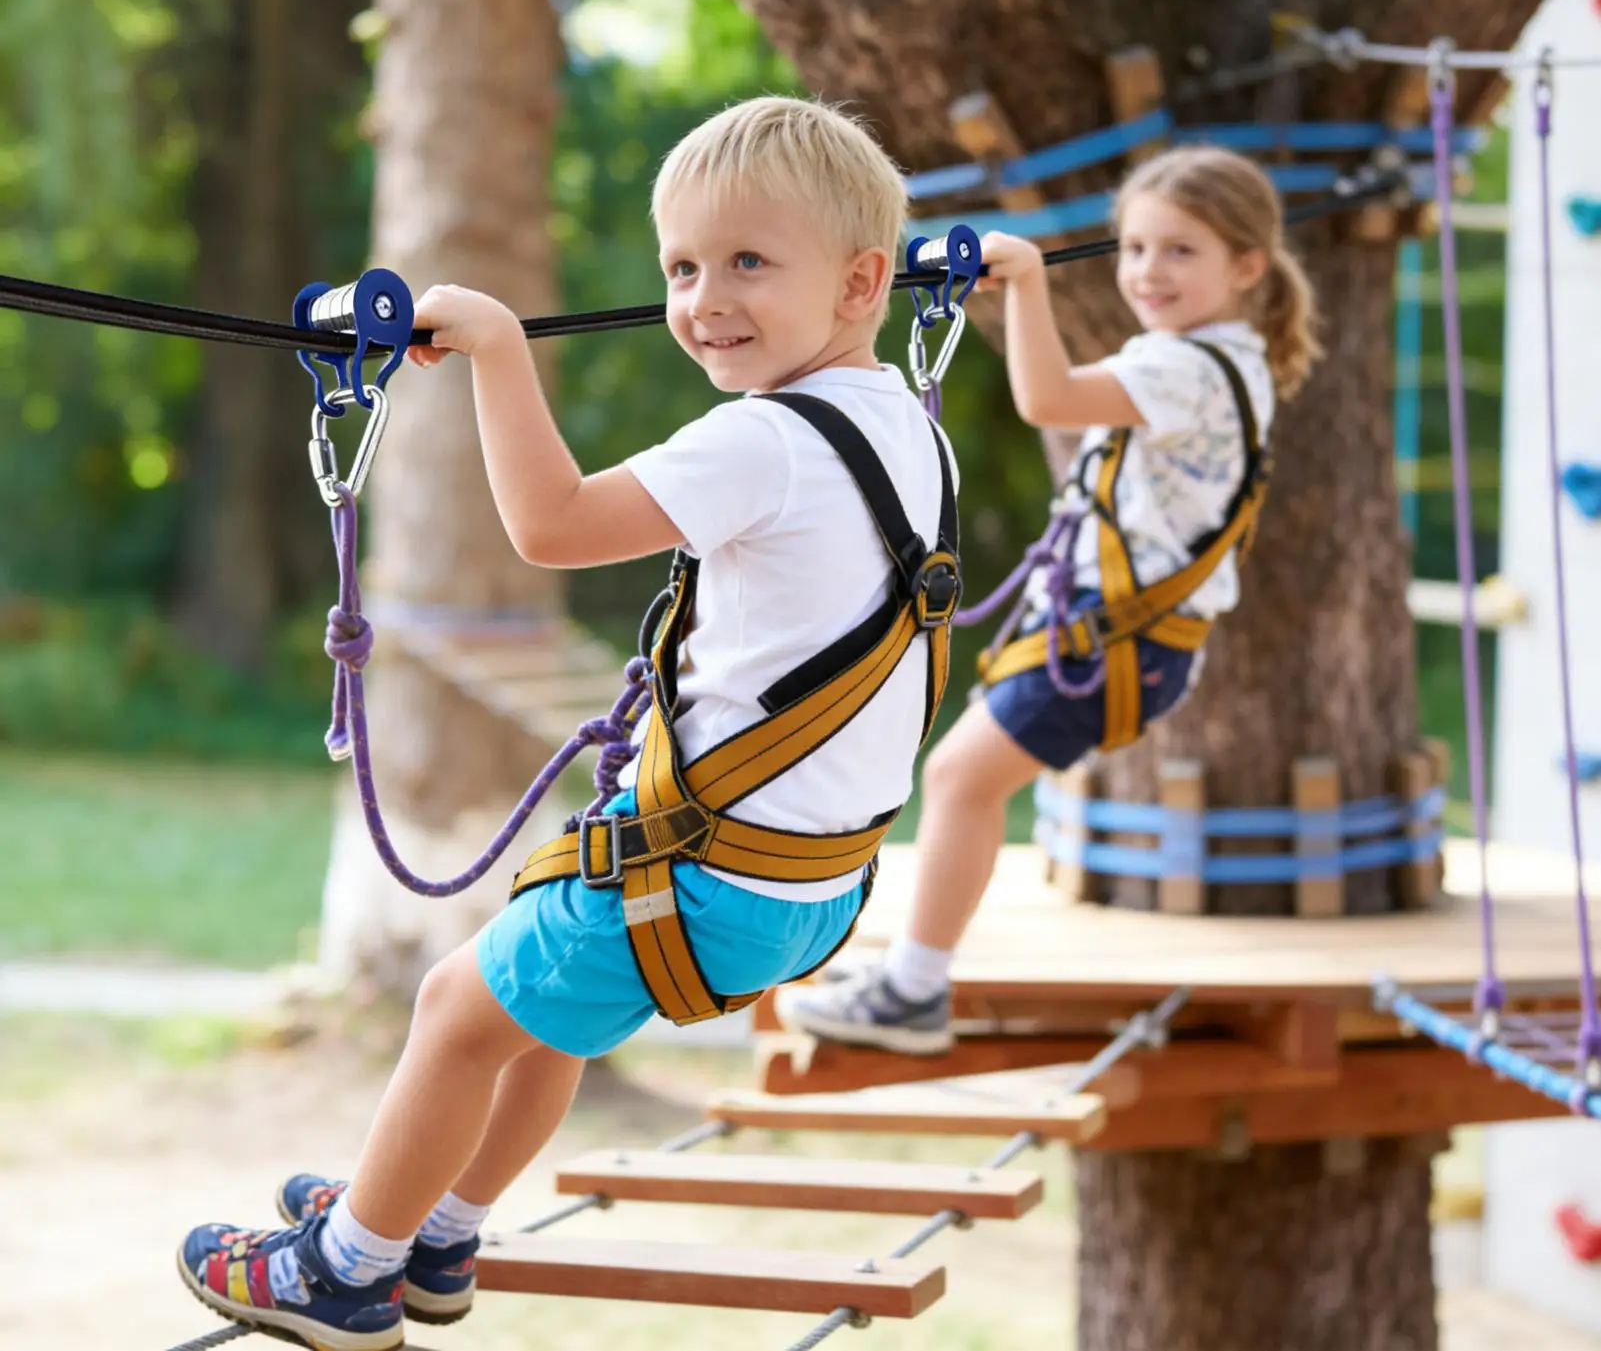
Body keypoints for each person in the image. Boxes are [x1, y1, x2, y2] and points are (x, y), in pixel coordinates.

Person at [175, 96, 960, 1350]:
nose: (705, 297)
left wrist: (493, 344)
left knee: (451, 1007)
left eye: (749, 261)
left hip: (711, 882)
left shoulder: (759, 437)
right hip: (809, 887)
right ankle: (435, 1227)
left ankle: (346, 1268)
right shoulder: (911, 431)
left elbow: (549, 525)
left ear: (862, 281)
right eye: (683, 266)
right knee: (542, 1018)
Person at [777, 145, 1322, 1057]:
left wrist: (1025, 282)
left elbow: (1048, 398)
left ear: (1247, 266)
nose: (1148, 271)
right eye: (1135, 247)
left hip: (1119, 644)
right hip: (1120, 638)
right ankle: (907, 971)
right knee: (960, 778)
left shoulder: (1185, 370)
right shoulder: (1215, 358)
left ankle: (913, 989)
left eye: (1179, 251)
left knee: (957, 780)